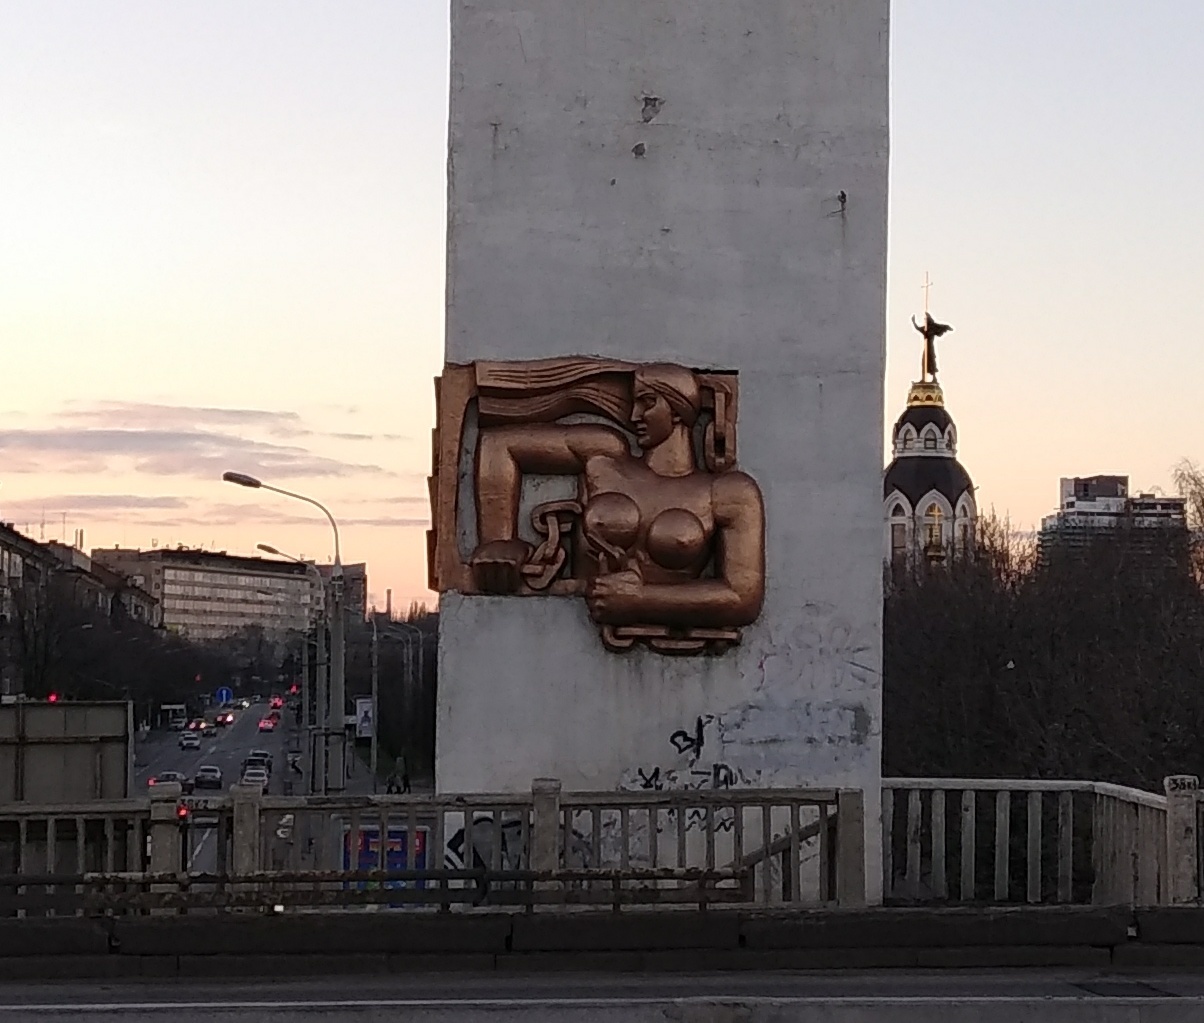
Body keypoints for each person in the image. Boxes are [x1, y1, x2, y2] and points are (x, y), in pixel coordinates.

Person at [470, 363, 765, 630]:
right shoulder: (604, 457)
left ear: (678, 410)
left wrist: (641, 600)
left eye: (647, 403)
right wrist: (498, 540)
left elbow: (743, 596)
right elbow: (500, 445)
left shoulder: (727, 493)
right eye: (634, 403)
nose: (633, 415)